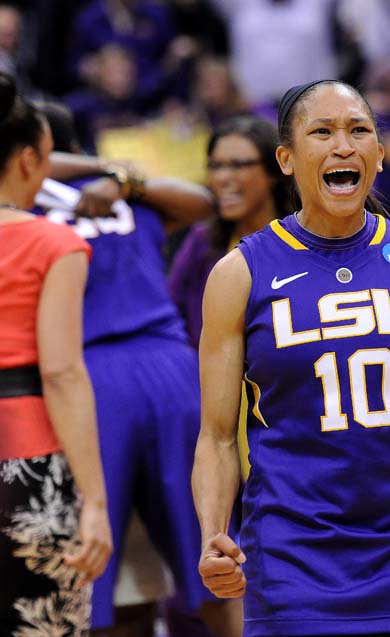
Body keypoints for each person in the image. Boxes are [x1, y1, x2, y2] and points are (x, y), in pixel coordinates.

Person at [192, 79, 390, 636]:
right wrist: (213, 533)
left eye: (359, 130)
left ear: (379, 157)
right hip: (293, 552)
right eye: (323, 132)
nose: (344, 146)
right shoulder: (239, 274)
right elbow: (217, 436)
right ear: (287, 160)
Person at [32, 101, 242, 637]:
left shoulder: (22, 205)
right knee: (218, 564)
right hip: (173, 369)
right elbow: (200, 202)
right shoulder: (128, 194)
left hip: (94, 379)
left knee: (90, 575)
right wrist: (116, 173)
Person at [0, 73, 112, 634]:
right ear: (28, 160)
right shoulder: (54, 242)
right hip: (29, 460)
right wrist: (95, 501)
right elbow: (63, 372)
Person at [168, 114, 293, 349]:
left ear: (274, 171)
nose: (222, 178)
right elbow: (171, 315)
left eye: (238, 165)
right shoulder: (202, 241)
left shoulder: (307, 242)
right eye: (215, 166)